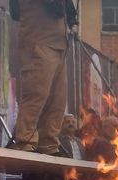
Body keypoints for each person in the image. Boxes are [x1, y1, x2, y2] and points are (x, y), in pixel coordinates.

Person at [8, 0, 77, 155]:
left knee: (57, 100)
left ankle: (49, 143)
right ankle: (25, 140)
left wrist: (72, 20)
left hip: (58, 45)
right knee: (36, 94)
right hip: (38, 42)